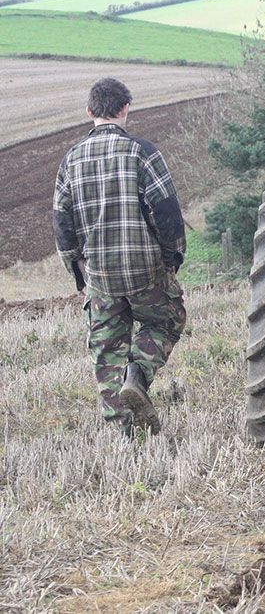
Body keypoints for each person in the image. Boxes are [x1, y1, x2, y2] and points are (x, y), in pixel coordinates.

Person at [52, 78, 186, 438]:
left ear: (89, 111)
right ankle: (138, 375)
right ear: (125, 108)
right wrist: (172, 256)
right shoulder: (143, 152)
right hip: (145, 270)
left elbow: (61, 220)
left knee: (107, 349)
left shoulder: (71, 160)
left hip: (100, 276)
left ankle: (125, 433)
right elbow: (166, 210)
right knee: (166, 321)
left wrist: (79, 269)